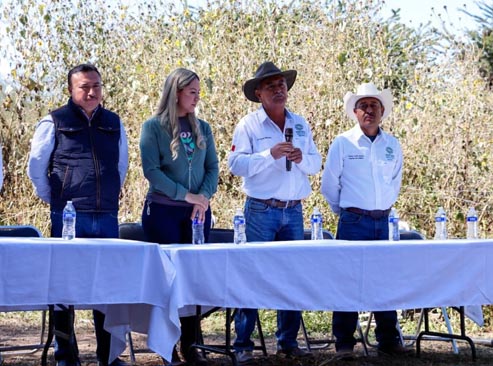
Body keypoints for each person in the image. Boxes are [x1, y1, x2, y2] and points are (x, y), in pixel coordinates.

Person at [27, 63, 129, 366]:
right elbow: (36, 168)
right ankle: (66, 356)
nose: (91, 91)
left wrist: (110, 195)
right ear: (71, 90)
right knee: (63, 287)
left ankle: (107, 356)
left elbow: (120, 167)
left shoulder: (114, 122)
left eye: (96, 85)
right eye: (84, 86)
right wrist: (58, 200)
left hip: (106, 216)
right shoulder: (53, 121)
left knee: (106, 287)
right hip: (69, 217)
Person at [228, 62, 322, 364]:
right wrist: (270, 155)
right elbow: (235, 165)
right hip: (260, 209)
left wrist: (300, 158)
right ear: (259, 93)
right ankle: (243, 343)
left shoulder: (301, 124)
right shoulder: (248, 126)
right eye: (271, 86)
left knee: (291, 275)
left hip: (293, 209)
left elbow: (316, 164)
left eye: (282, 84)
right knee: (251, 274)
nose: (279, 90)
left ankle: (287, 342)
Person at [321, 82, 407, 359]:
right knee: (347, 280)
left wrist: (381, 208)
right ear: (355, 112)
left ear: (382, 111)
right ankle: (344, 342)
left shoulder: (392, 144)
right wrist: (346, 212)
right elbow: (329, 185)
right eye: (364, 106)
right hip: (353, 221)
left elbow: (395, 182)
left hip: (383, 222)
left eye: (374, 106)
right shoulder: (343, 143)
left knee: (384, 281)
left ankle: (388, 339)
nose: (369, 110)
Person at [139, 68, 218, 366]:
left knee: (193, 279)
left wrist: (203, 198)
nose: (197, 97)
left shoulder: (204, 129)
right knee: (168, 282)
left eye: (198, 92)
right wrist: (187, 196)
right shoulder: (153, 128)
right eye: (192, 92)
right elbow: (152, 172)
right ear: (176, 92)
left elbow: (212, 169)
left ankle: (191, 342)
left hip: (197, 214)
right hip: (163, 213)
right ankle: (166, 344)